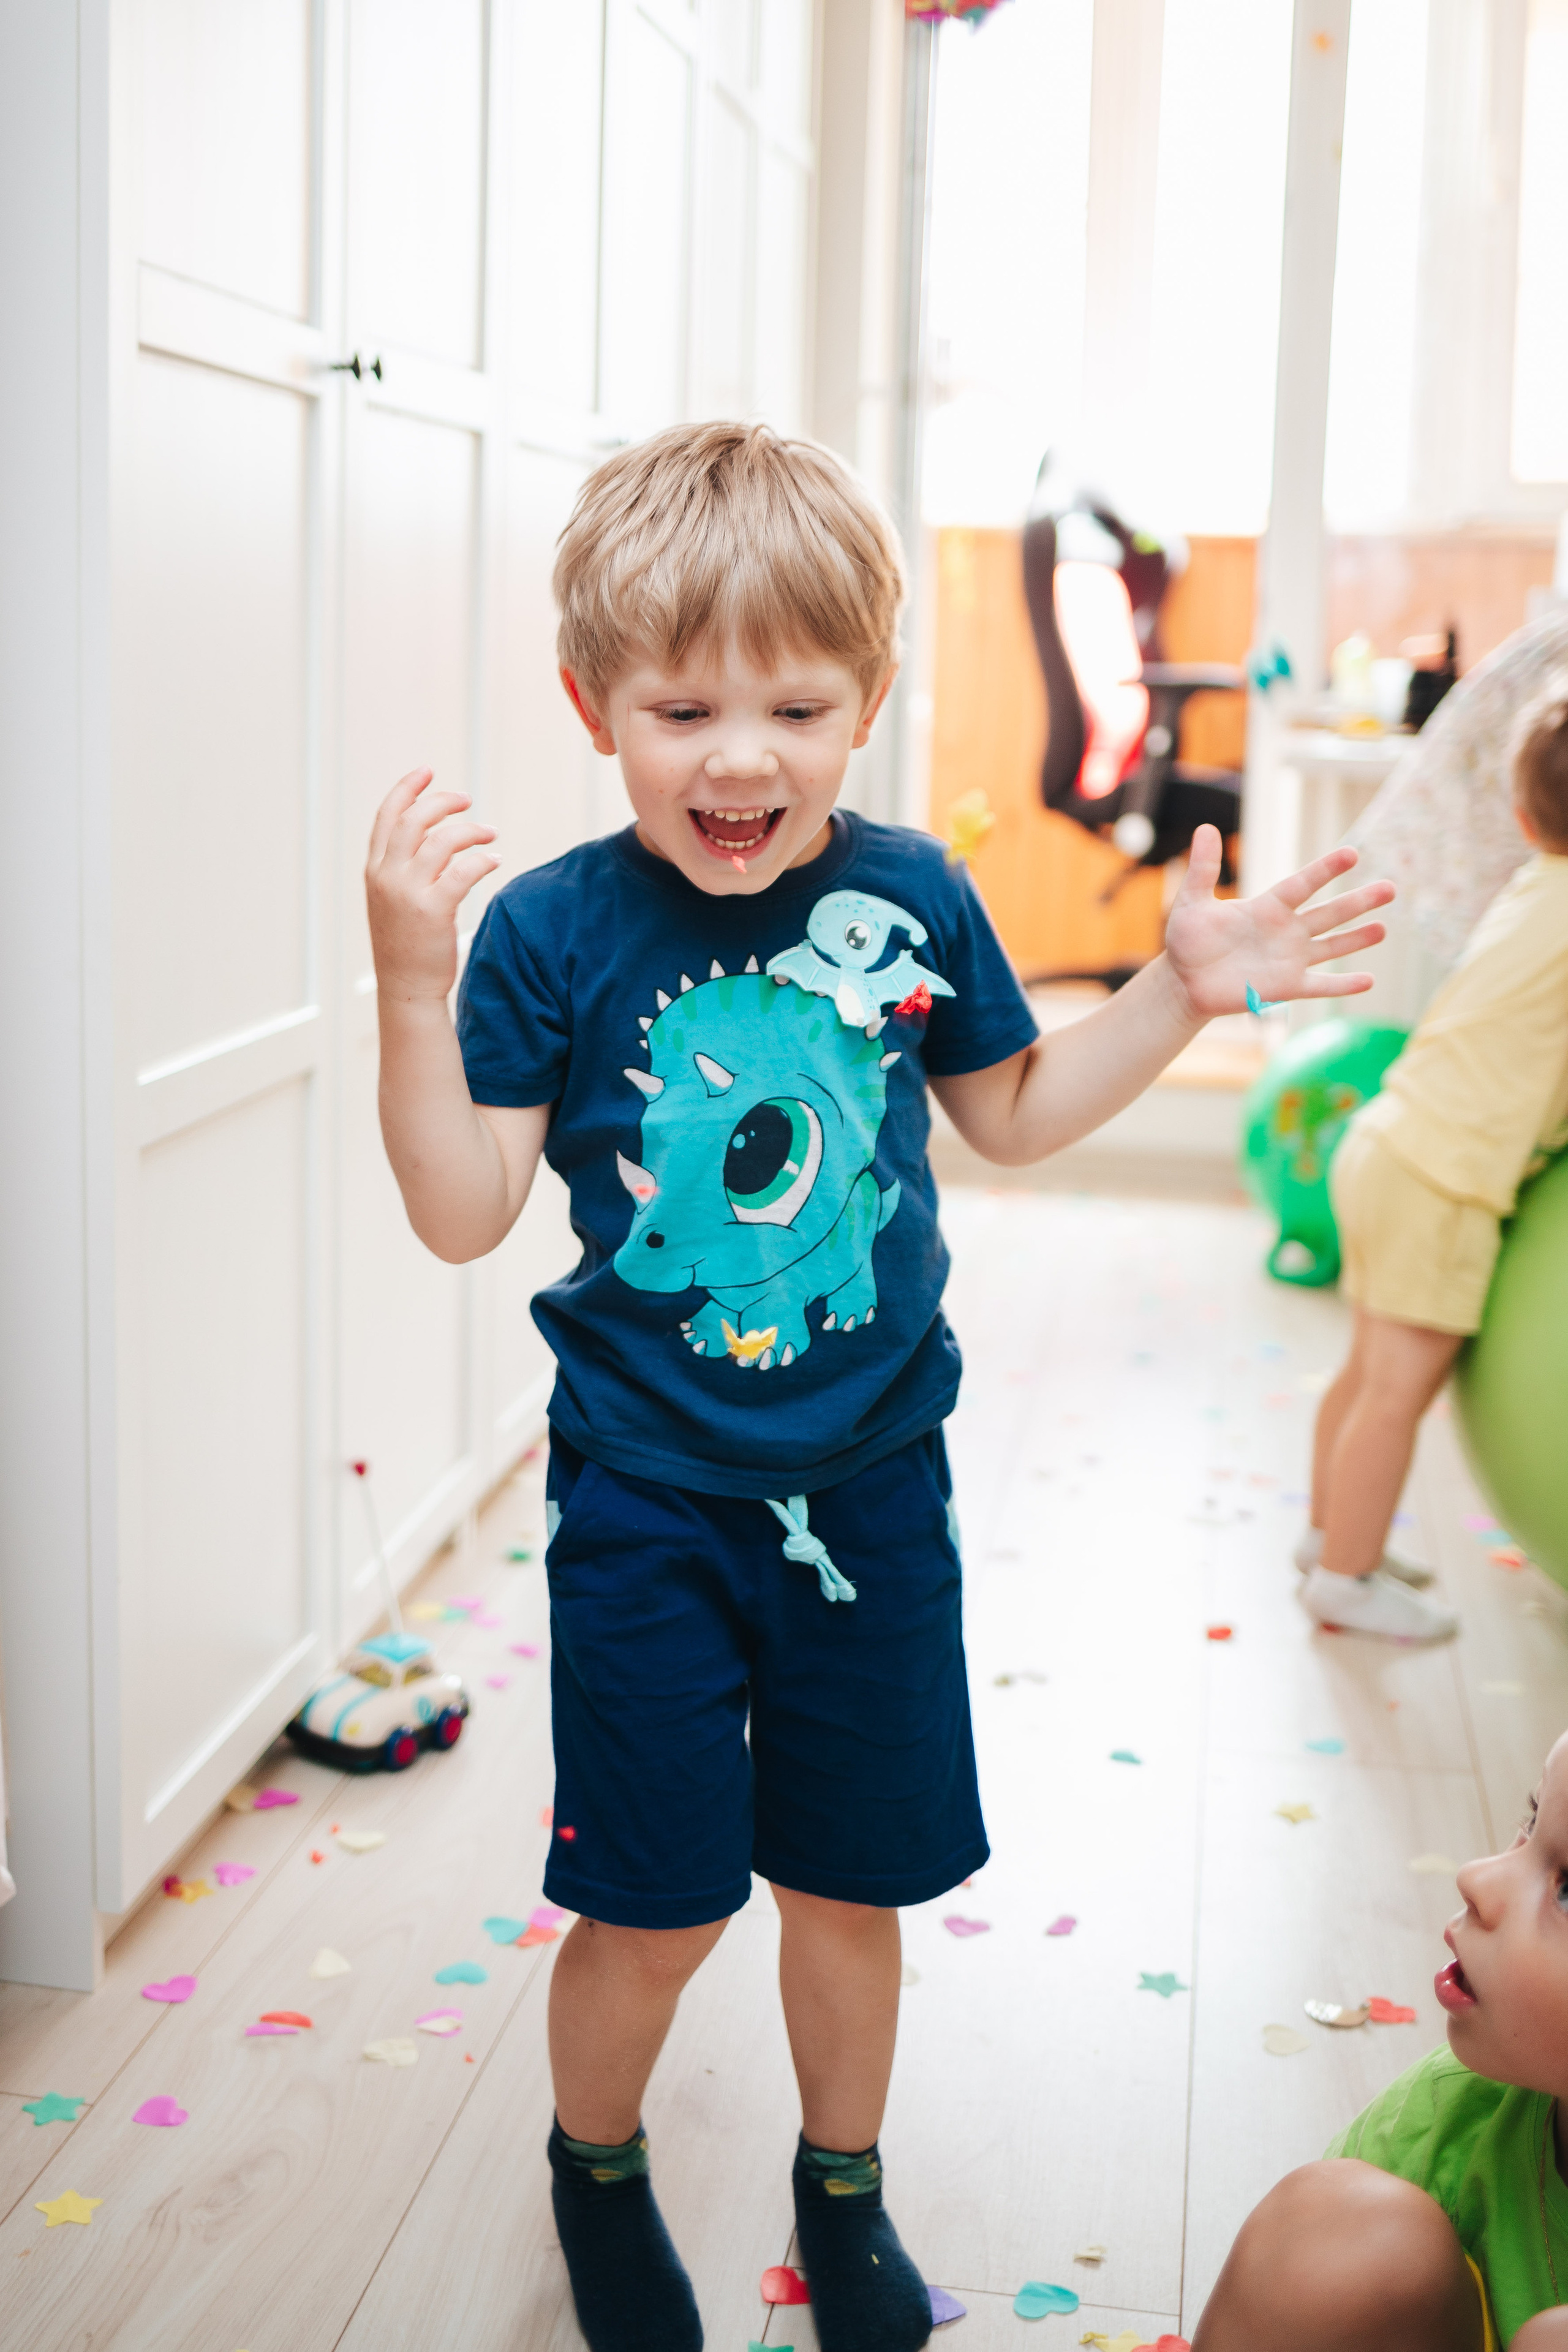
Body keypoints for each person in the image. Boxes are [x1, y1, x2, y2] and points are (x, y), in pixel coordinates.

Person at [364, 420, 1390, 2352]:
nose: (737, 754)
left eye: (792, 702)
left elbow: (1007, 1114)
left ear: (868, 701)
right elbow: (459, 1206)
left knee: (851, 1884)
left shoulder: (912, 896)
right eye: (680, 706)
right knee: (657, 1904)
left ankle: (844, 2183)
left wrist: (1172, 993)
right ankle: (597, 2163)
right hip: (646, 1502)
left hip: (872, 1488)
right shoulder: (552, 933)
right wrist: (412, 988)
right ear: (592, 706)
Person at [1297, 681, 1568, 1643]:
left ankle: (1330, 1536)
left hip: (1388, 1143)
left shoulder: (1537, 884)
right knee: (1397, 1390)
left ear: (1530, 817)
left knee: (1366, 1369)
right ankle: (1345, 1575)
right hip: (1444, 1178)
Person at [1193, 1731, 1568, 2351]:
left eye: (1566, 1891)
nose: (1477, 1877)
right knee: (1333, 2234)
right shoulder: (1457, 2113)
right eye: (1529, 1822)